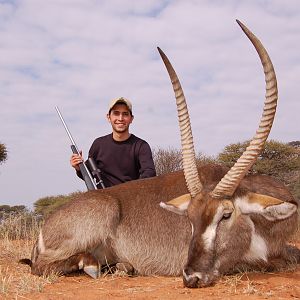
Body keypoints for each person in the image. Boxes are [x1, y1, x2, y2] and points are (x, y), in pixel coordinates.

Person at [70, 97, 156, 188]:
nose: (120, 118)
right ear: (108, 117)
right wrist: (79, 168)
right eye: (116, 113)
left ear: (131, 119)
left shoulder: (141, 146)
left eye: (125, 114)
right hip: (104, 198)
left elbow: (149, 173)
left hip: (131, 196)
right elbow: (89, 175)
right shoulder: (98, 144)